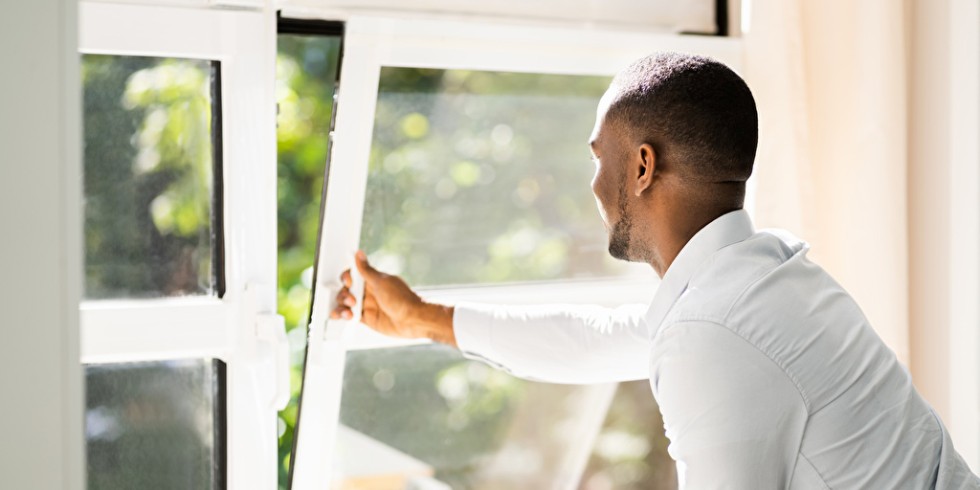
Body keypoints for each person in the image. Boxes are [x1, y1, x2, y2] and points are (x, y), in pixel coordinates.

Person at [330, 53, 979, 488]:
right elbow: (592, 341)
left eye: (598, 159)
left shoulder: (714, 330)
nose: (593, 185)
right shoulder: (767, 271)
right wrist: (422, 318)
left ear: (642, 167)